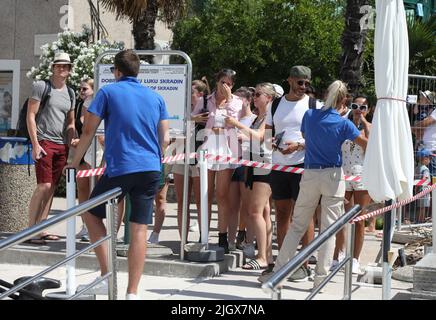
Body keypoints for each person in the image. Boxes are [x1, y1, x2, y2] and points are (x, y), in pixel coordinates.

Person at [66, 50, 170, 300]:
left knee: (90, 214)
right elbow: (164, 139)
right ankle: (132, 293)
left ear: (117, 71)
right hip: (151, 169)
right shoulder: (156, 98)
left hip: (122, 166)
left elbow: (89, 130)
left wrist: (74, 162)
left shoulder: (108, 92)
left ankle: (106, 275)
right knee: (139, 230)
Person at [259, 80, 368, 290]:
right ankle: (321, 279)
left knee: (297, 224)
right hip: (333, 176)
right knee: (328, 229)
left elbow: (305, 137)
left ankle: (279, 273)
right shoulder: (344, 124)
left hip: (309, 172)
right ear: (344, 100)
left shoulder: (310, 116)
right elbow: (364, 143)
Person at [264, 65, 321, 280]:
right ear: (290, 80)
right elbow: (268, 130)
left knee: (304, 215)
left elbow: (319, 134)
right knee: (281, 213)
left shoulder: (313, 104)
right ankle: (284, 261)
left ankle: (304, 263)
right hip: (279, 164)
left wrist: (298, 146)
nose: (303, 87)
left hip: (303, 164)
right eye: (300, 83)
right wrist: (270, 143)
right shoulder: (276, 103)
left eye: (307, 83)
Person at [26, 52, 75, 244]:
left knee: (52, 187)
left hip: (60, 145)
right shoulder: (41, 86)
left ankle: (41, 228)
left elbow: (70, 123)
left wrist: (72, 140)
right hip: (44, 141)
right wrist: (35, 144)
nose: (62, 68)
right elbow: (31, 115)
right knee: (43, 185)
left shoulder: (70, 93)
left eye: (66, 66)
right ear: (53, 67)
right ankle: (30, 229)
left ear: (70, 70)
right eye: (59, 65)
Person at [226, 83, 276, 270]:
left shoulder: (269, 116)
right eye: (254, 94)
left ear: (269, 98)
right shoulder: (260, 116)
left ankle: (262, 256)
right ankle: (266, 254)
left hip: (264, 165)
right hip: (254, 163)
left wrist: (237, 125)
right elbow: (256, 138)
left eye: (258, 94)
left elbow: (261, 137)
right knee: (263, 212)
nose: (255, 97)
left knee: (255, 212)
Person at [192, 69, 243, 253]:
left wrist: (229, 100)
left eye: (228, 83)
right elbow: (191, 119)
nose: (224, 86)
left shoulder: (237, 102)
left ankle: (222, 237)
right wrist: (195, 118)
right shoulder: (205, 100)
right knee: (204, 193)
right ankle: (203, 233)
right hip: (208, 144)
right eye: (222, 82)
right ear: (216, 81)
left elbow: (234, 121)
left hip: (226, 146)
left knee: (222, 194)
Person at [332, 95, 373, 274]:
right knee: (340, 217)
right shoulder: (345, 125)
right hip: (343, 175)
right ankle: (336, 256)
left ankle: (355, 259)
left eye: (363, 107)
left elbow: (371, 144)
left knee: (359, 220)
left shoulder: (370, 127)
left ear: (368, 110)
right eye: (355, 106)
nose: (358, 109)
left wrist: (363, 120)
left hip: (362, 177)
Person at [71, 78, 103, 242]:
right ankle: (85, 224)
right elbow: (82, 127)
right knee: (82, 188)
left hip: (98, 149)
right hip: (84, 149)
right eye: (80, 89)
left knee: (95, 189)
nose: (81, 92)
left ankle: (96, 226)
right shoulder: (82, 104)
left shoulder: (101, 99)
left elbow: (93, 128)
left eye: (85, 89)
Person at [412, 90, 436, 177]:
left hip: (431, 153)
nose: (421, 98)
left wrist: (413, 128)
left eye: (423, 96)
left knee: (432, 182)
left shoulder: (433, 110)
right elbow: (420, 127)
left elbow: (422, 125)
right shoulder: (422, 108)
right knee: (421, 181)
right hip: (423, 151)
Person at [415, 149, 432, 223]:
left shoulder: (416, 168)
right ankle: (421, 221)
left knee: (419, 207)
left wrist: (416, 187)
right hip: (424, 190)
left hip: (418, 190)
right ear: (425, 159)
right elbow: (425, 179)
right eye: (430, 158)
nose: (430, 160)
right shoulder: (426, 169)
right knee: (423, 207)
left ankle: (418, 220)